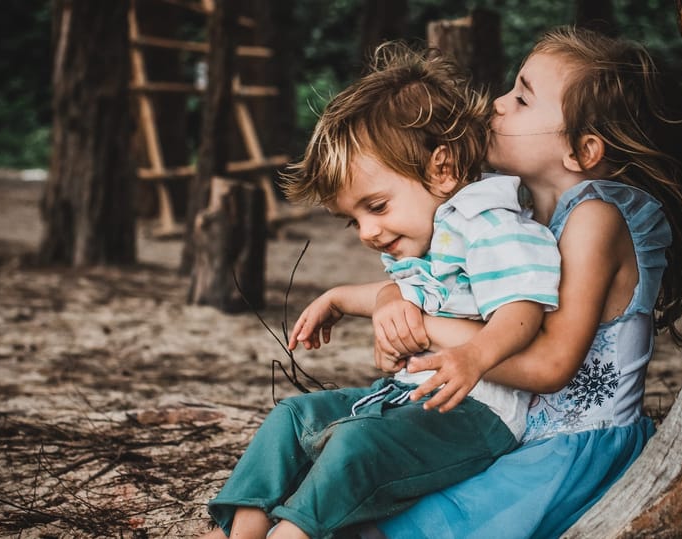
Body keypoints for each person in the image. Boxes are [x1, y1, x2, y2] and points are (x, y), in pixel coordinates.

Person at [200, 42, 561, 539]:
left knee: (355, 445)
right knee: (291, 417)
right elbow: (405, 295)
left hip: (477, 414)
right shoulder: (431, 233)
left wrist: (474, 356)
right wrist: (338, 298)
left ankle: (292, 534)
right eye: (353, 220)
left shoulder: (490, 224)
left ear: (442, 169)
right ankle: (238, 533)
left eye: (376, 206)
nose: (368, 232)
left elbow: (523, 311)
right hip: (408, 398)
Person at [365, 26, 682, 538]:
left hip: (574, 454)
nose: (497, 104)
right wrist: (391, 297)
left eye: (522, 98)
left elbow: (551, 367)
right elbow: (442, 283)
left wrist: (424, 328)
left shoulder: (595, 218)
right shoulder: (518, 213)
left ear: (582, 151)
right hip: (517, 435)